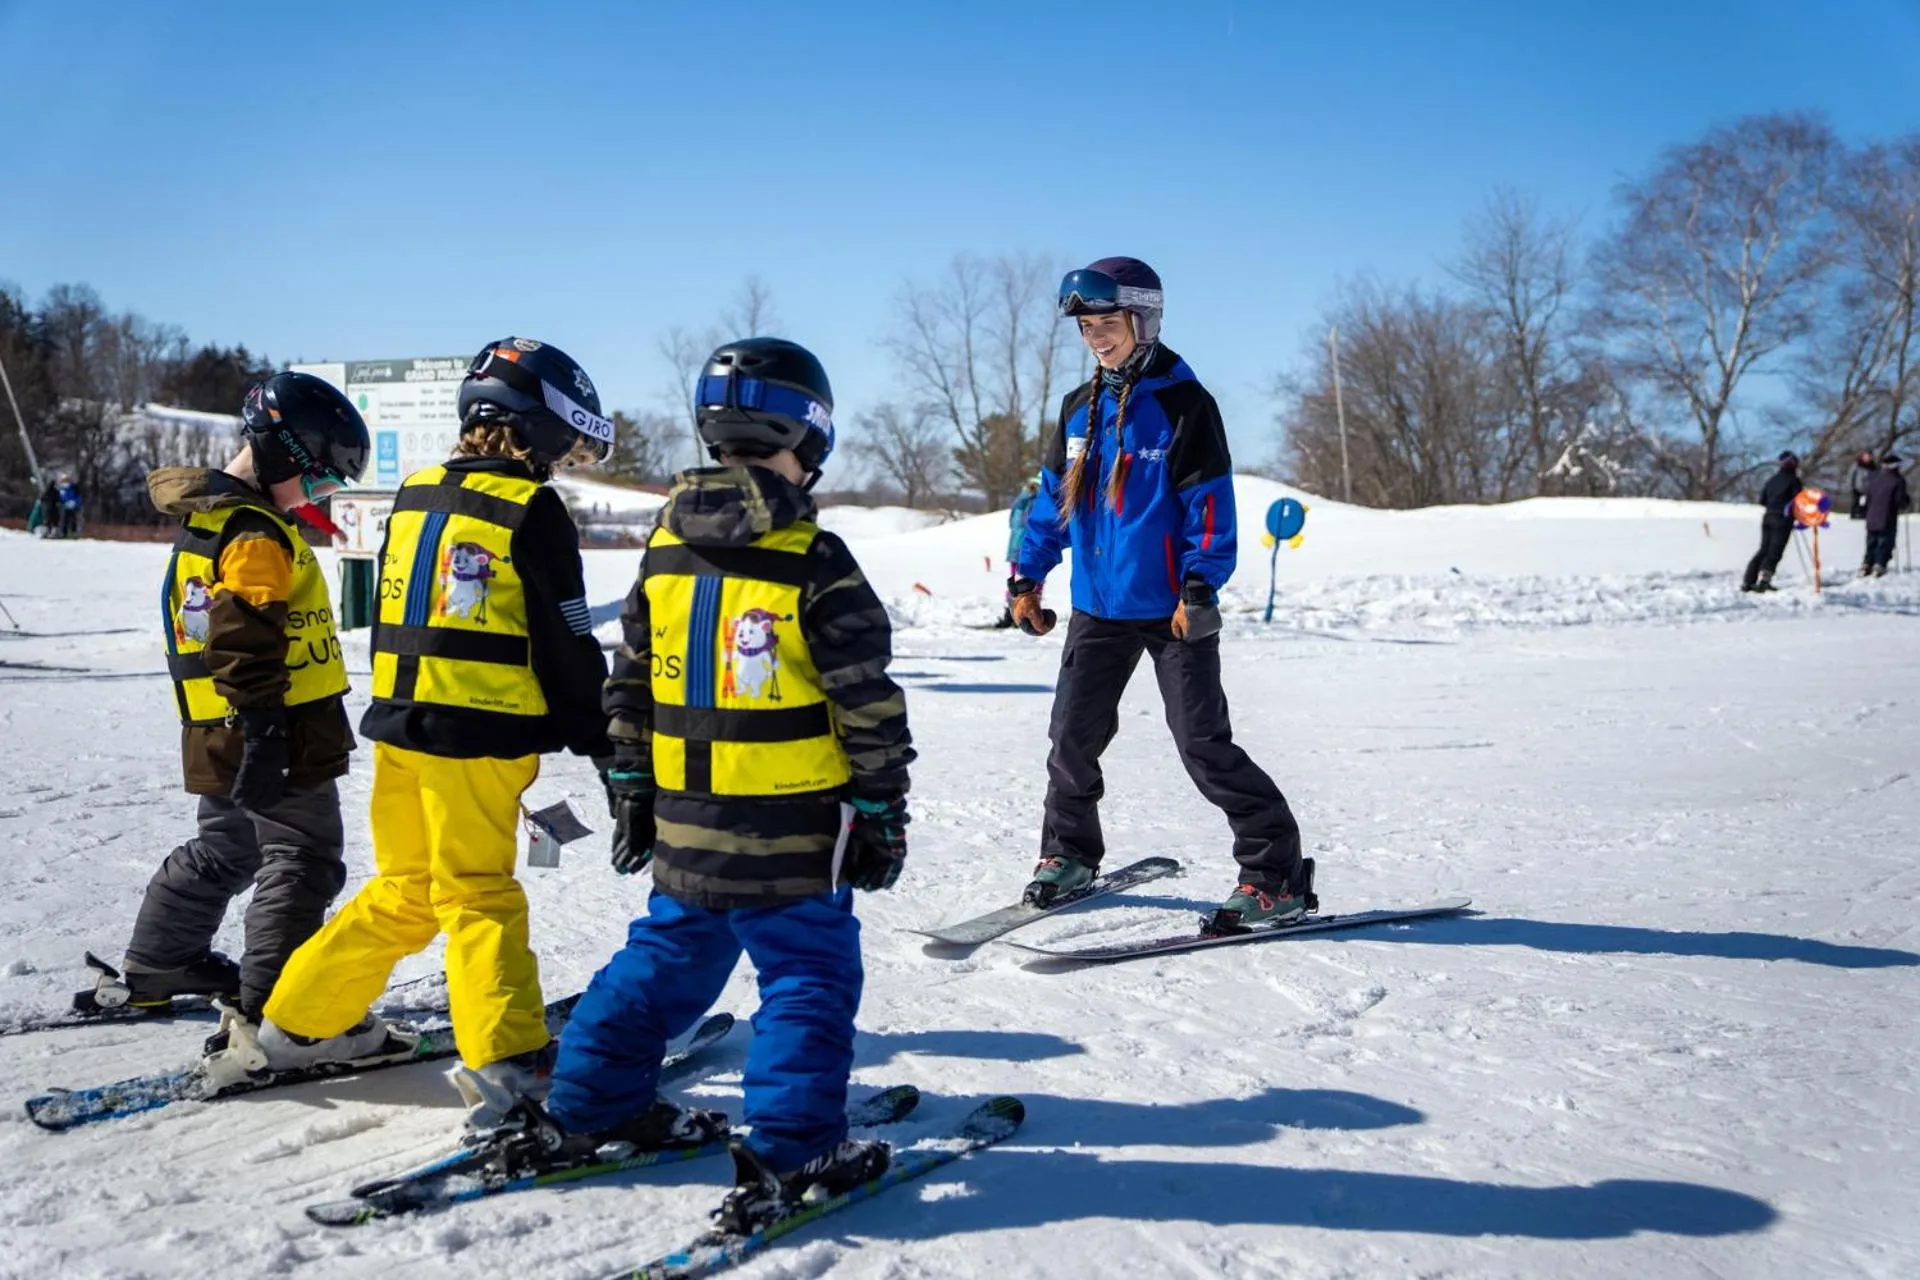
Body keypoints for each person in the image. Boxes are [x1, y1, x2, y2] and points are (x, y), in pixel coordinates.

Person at [520, 337, 914, 1233]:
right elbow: (867, 704)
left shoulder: (663, 548)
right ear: (810, 436)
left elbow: (629, 682)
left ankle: (589, 1103)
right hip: (795, 833)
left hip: (687, 824)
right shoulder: (816, 555)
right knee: (807, 978)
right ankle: (794, 1147)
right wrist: (883, 809)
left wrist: (632, 785)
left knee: (666, 960)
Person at [228, 338, 616, 1112]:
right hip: (477, 737)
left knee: (407, 888)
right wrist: (608, 744)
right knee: (478, 893)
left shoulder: (417, 490)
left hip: (402, 729)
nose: (562, 462)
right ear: (534, 429)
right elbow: (568, 642)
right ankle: (509, 1060)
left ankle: (298, 1024)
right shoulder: (531, 509)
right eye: (564, 444)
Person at [1010, 257, 1310, 932]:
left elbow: (1208, 506)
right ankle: (1068, 855)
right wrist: (1027, 576)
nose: (1097, 337)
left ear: (1142, 320)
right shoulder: (1078, 410)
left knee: (1203, 745)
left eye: (1108, 323)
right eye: (1087, 327)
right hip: (1098, 610)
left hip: (1174, 609)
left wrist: (1199, 587)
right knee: (1070, 740)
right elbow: (1050, 501)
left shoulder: (1183, 404)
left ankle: (1275, 876)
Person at [82, 373, 368, 1022]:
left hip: (220, 727)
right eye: (321, 480)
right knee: (303, 860)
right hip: (276, 727)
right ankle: (284, 1016)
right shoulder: (254, 534)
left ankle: (163, 960)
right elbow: (243, 636)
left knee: (228, 847)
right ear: (286, 454)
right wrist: (267, 731)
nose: (319, 497)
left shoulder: (213, 519)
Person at [1741, 451, 1802, 593]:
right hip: (1783, 519)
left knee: (1764, 549)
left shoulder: (1771, 480)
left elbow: (1762, 500)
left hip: (1768, 517)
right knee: (1775, 551)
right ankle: (1764, 580)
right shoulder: (1793, 480)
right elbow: (1799, 501)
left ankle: (1748, 580)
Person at [992, 475, 1042, 628]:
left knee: (1016, 580)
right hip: (1029, 546)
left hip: (1016, 546)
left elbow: (1012, 523)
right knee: (1033, 581)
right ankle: (1023, 615)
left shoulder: (1020, 501)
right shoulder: (1037, 502)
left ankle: (1013, 613)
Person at [1861, 453, 1911, 577]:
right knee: (1885, 542)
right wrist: (1906, 502)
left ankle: (1867, 564)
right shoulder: (1898, 480)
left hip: (1871, 516)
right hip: (1887, 516)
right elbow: (1899, 500)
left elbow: (1867, 496)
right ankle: (1879, 565)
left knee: (1871, 541)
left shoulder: (1874, 478)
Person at [1849, 450, 1877, 521]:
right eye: (1866, 456)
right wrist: (1851, 486)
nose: (1868, 458)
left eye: (1869, 456)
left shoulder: (1873, 467)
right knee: (1855, 502)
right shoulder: (1857, 465)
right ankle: (1853, 516)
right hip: (1857, 487)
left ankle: (1863, 515)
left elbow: (1876, 477)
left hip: (1868, 489)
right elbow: (1851, 476)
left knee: (1865, 503)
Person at [56, 472, 82, 538]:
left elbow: (78, 497)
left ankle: (73, 533)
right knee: (65, 520)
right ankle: (64, 533)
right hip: (65, 507)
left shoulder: (74, 488)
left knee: (73, 520)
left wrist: (75, 503)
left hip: (74, 507)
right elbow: (61, 498)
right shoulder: (62, 490)